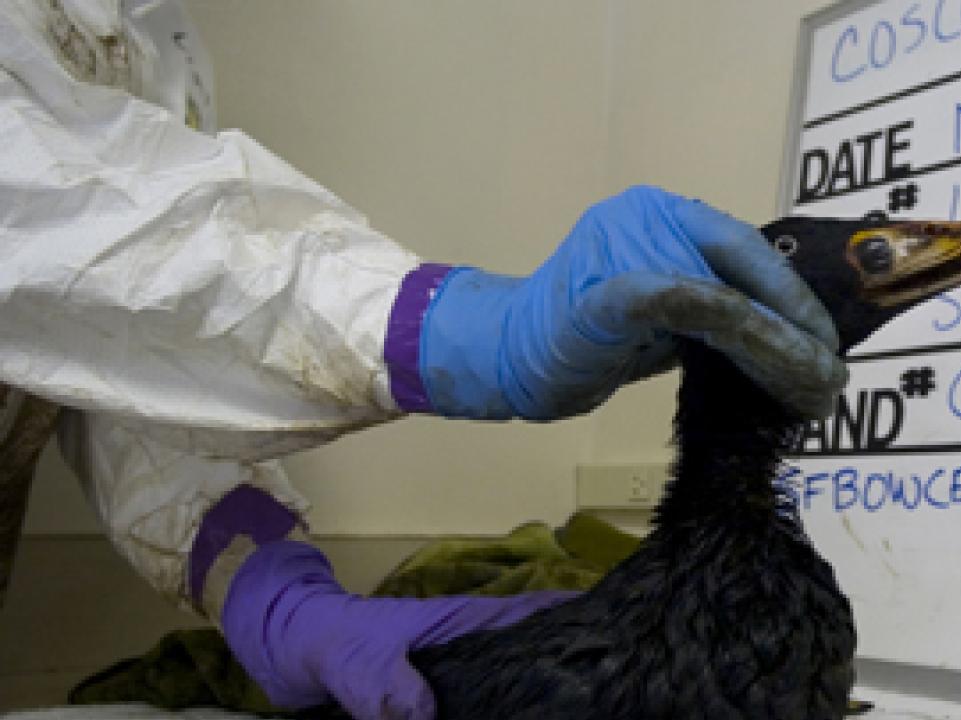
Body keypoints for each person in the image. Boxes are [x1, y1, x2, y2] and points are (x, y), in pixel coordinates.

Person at [0, 2, 848, 718]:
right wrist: (444, 329)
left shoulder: (152, 35)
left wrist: (263, 582)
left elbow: (116, 345)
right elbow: (43, 227)